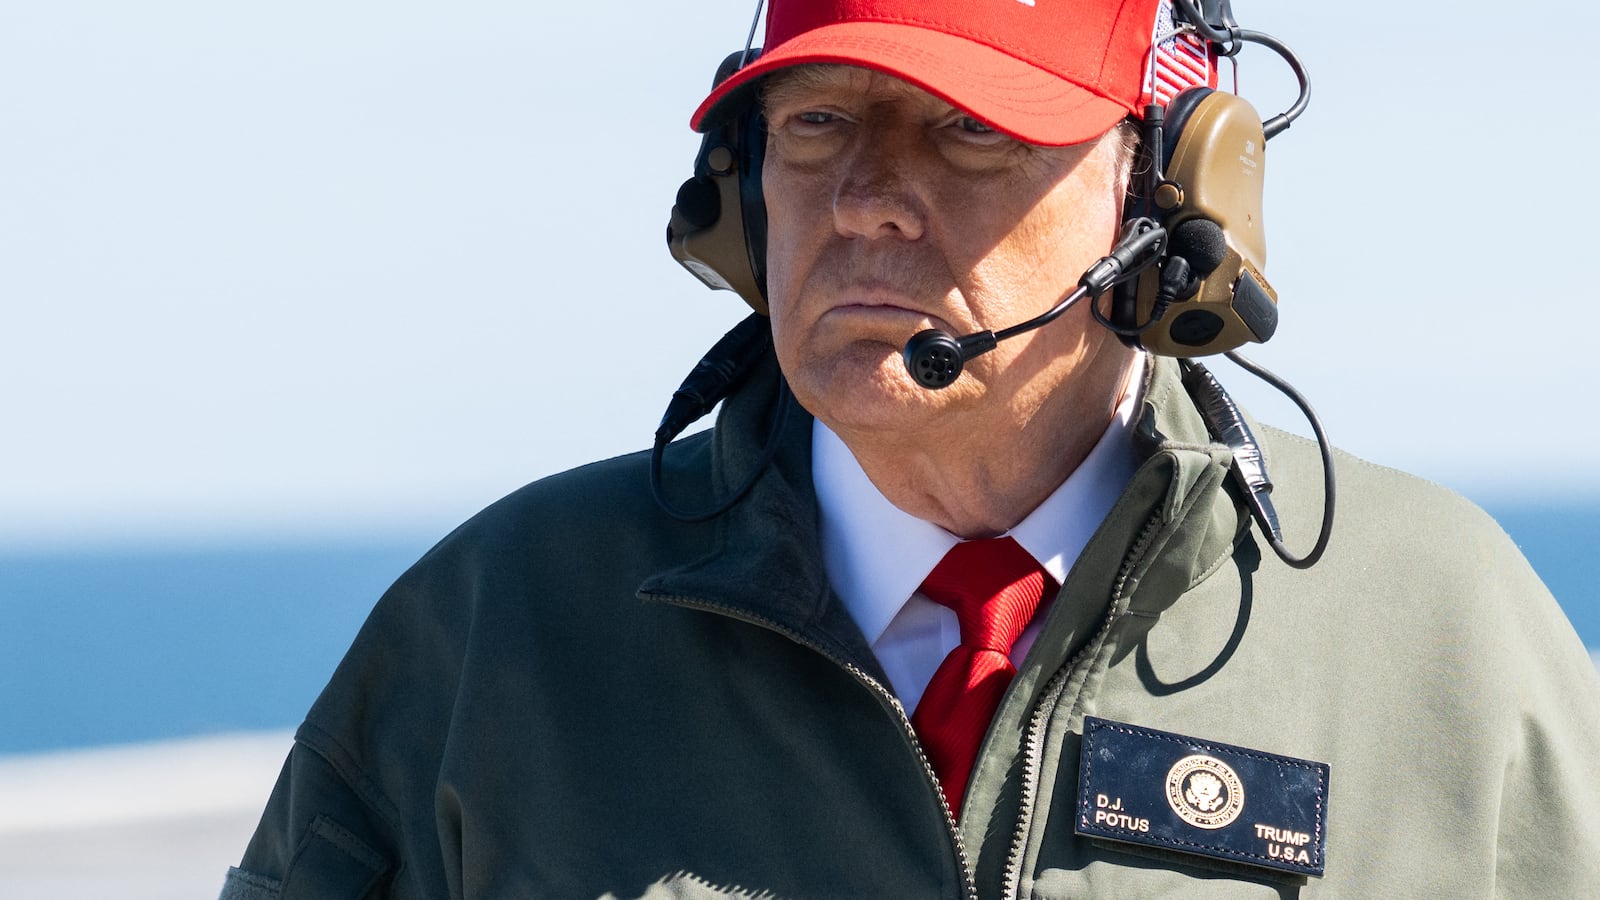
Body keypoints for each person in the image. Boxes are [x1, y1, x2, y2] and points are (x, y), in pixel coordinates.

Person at [221, 0, 1600, 897]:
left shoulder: (1440, 633)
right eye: (817, 123)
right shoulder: (499, 626)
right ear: (736, 198)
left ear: (1166, 194)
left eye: (969, 132)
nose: (871, 200)